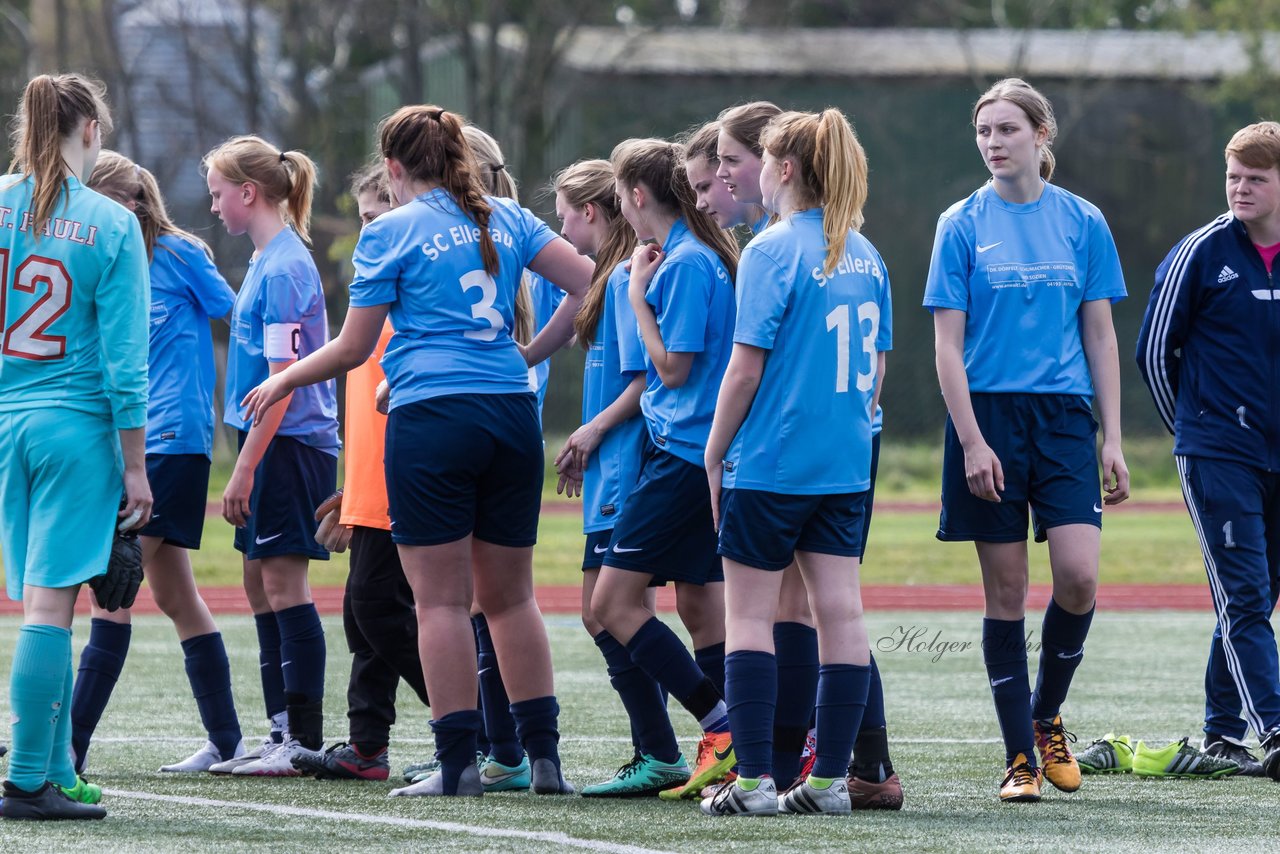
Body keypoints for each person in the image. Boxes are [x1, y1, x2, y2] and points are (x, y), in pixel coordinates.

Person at [241, 105, 593, 798]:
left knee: (439, 604)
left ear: (395, 169)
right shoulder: (507, 216)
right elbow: (588, 282)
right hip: (511, 414)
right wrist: (527, 354)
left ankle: (458, 765)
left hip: (432, 419)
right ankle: (544, 762)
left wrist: (281, 376)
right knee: (512, 599)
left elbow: (353, 348)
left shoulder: (392, 230)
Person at [924, 77, 1129, 803]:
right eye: (984, 131)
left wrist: (1113, 436)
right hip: (989, 419)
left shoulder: (1083, 221)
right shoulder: (959, 223)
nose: (993, 142)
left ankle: (1046, 717)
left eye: (1008, 129)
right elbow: (947, 349)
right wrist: (973, 442)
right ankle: (1019, 758)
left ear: (1042, 136)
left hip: (1066, 418)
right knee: (1006, 590)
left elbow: (1100, 333)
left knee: (1078, 576)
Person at [700, 107, 891, 817]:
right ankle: (831, 782)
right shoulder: (865, 252)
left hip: (772, 462)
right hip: (845, 461)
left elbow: (744, 371)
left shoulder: (772, 249)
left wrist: (714, 453)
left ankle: (751, 784)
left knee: (748, 617)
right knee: (840, 614)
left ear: (782, 168)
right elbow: (875, 373)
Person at [0, 73, 150, 821]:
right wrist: (135, 464)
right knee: (49, 609)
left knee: (35, 600)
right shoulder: (111, 222)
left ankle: (54, 766)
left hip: (6, 424)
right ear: (90, 129)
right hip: (74, 426)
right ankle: (29, 780)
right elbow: (127, 362)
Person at [68, 150, 245, 775]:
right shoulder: (95, 255)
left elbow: (241, 314)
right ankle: (228, 742)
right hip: (123, 443)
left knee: (111, 591)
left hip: (172, 443)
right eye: (112, 198)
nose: (130, 207)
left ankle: (69, 747)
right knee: (176, 595)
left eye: (131, 196)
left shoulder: (180, 254)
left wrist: (265, 400)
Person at [588, 137, 740, 801]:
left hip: (681, 457)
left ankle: (722, 726)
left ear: (637, 195)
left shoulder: (681, 265)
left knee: (612, 603)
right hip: (697, 454)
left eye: (620, 192)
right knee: (702, 607)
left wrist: (637, 296)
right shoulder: (690, 257)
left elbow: (672, 368)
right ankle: (736, 747)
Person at [1136, 120, 1280, 780]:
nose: (1241, 188)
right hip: (1219, 452)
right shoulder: (1202, 251)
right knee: (1245, 597)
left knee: (1255, 597)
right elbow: (1154, 353)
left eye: (1257, 178)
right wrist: (1193, 433)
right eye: (1234, 177)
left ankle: (1222, 733)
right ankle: (1275, 729)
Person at [201, 135, 340, 777]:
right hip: (268, 442)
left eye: (218, 194)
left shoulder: (284, 265)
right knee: (259, 582)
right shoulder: (265, 259)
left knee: (284, 583)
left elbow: (283, 381)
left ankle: (300, 741)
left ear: (248, 193)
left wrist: (247, 466)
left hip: (287, 445)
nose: (214, 208)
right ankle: (280, 731)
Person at [549, 159, 684, 797]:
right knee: (610, 613)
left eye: (564, 215)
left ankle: (674, 743)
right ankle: (658, 748)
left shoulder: (632, 276)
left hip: (630, 465)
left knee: (606, 613)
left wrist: (594, 430)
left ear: (592, 213)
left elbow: (643, 380)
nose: (561, 227)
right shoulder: (606, 279)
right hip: (612, 469)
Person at [293, 163, 430, 782]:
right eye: (365, 218)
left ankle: (477, 723)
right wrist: (356, 487)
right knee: (364, 610)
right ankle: (367, 744)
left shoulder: (412, 292)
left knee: (378, 606)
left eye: (380, 215)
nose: (370, 228)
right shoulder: (373, 291)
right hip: (375, 479)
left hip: (404, 476)